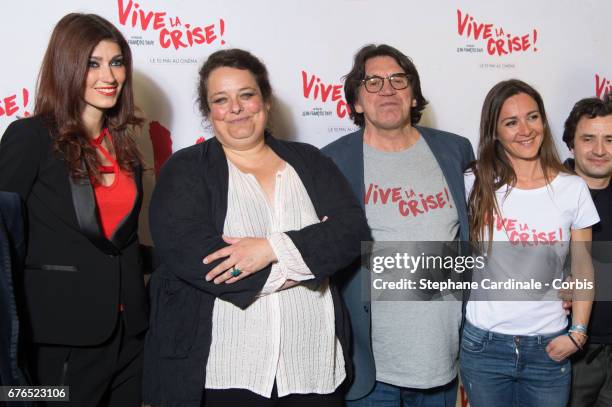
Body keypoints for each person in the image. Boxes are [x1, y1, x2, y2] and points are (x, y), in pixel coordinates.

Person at [142, 48, 370, 407]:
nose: (235, 108)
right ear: (208, 111)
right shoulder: (185, 170)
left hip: (312, 363)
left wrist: (270, 249)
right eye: (221, 99)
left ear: (265, 101)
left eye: (246, 95)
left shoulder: (309, 160)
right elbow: (203, 262)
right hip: (225, 368)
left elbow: (351, 233)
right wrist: (309, 261)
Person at [0, 13, 148, 406]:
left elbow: (120, 241)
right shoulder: (30, 138)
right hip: (58, 334)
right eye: (92, 63)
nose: (109, 76)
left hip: (130, 332)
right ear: (67, 67)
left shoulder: (126, 147)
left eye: (117, 62)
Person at [323, 44, 474, 406]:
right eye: (372, 82)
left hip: (443, 362)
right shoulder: (332, 161)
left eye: (397, 80)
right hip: (369, 371)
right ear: (357, 101)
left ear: (413, 94)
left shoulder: (456, 151)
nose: (387, 89)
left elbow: (481, 240)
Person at [460, 79, 598, 407]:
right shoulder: (474, 183)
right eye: (511, 122)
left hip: (549, 349)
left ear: (544, 121)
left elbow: (583, 267)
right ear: (494, 131)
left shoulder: (572, 188)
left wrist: (577, 333)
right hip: (483, 348)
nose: (525, 130)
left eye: (532, 117)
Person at [563, 94, 612, 407]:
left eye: (610, 139)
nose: (599, 150)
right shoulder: (546, 191)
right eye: (588, 139)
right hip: (569, 350)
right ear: (571, 144)